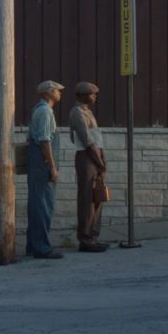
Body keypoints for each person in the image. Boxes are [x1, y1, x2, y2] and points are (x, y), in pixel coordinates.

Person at [68, 81, 110, 254]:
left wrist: (102, 159)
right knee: (87, 198)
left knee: (97, 197)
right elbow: (87, 140)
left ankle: (93, 236)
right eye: (91, 94)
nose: (94, 97)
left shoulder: (89, 112)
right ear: (81, 95)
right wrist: (99, 162)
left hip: (95, 157)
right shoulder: (77, 113)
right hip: (87, 158)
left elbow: (97, 139)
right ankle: (85, 239)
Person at [26, 80, 65, 260]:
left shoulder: (40, 109)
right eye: (58, 90)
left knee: (38, 204)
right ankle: (41, 247)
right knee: (43, 205)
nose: (60, 93)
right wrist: (52, 166)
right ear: (49, 92)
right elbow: (44, 141)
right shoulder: (44, 111)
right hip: (42, 163)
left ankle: (33, 246)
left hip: (38, 162)